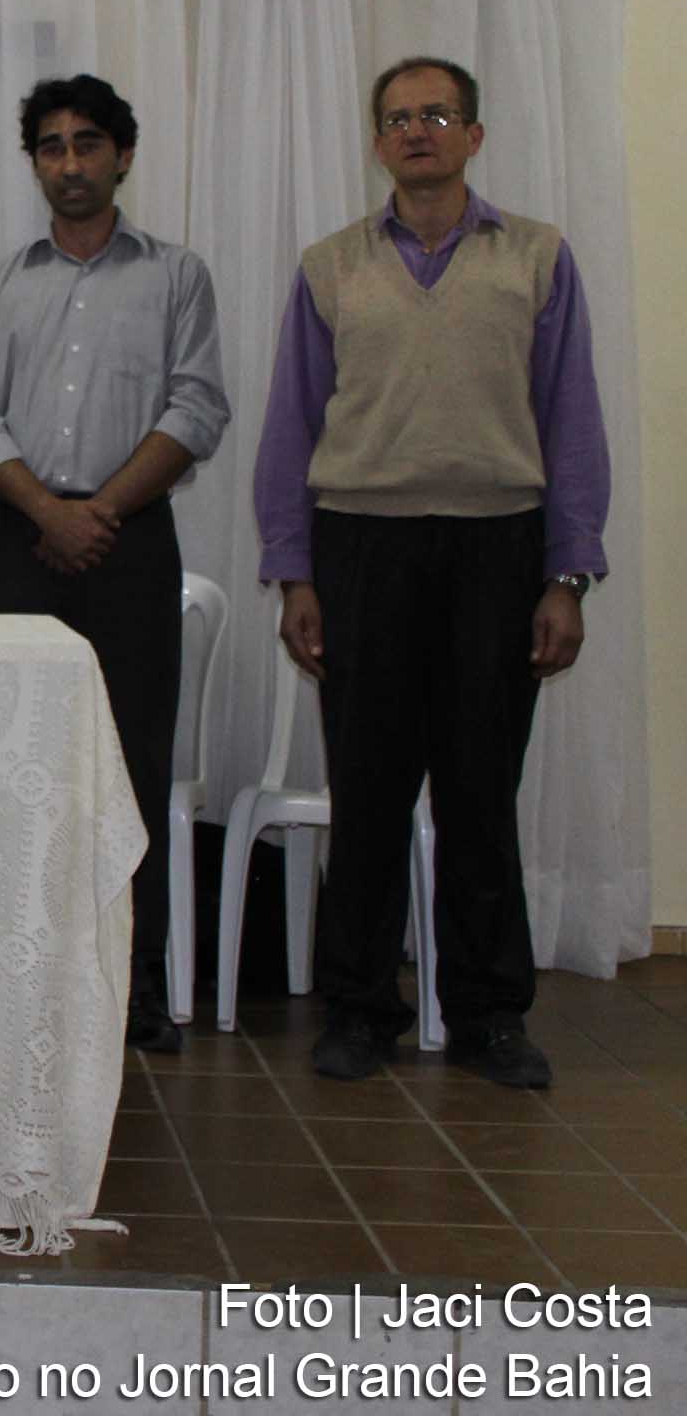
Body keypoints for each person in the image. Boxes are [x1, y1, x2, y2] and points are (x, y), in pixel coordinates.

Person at [252, 56, 611, 1089]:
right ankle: (362, 1010)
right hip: (362, 545)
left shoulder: (536, 258)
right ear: (377, 142)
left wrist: (567, 575)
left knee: (480, 791)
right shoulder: (331, 266)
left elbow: (572, 424)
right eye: (399, 118)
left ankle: (492, 1014)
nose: (418, 131)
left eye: (438, 114)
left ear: (474, 135)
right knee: (367, 790)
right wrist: (295, 574)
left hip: (499, 546)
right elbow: (292, 430)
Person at [0, 74, 231, 1053]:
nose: (69, 163)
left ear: (123, 154)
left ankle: (135, 981)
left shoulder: (175, 275)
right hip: (22, 540)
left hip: (130, 539)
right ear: (34, 161)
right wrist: (48, 512)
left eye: (87, 144)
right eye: (51, 146)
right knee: (18, 764)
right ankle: (17, 971)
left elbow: (195, 410)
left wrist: (100, 510)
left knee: (132, 762)